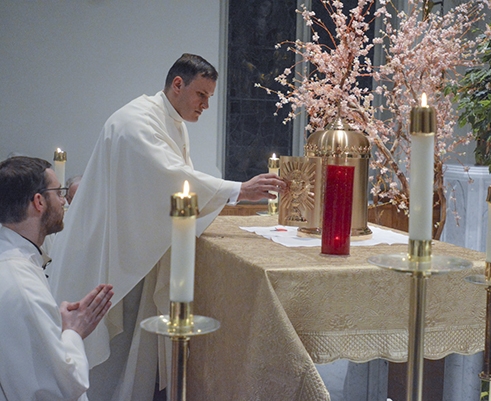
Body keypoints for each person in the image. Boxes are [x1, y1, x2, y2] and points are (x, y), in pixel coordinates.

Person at [48, 53, 286, 400]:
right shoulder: (136, 122)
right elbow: (172, 181)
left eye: (210, 98)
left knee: (133, 355)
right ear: (178, 84)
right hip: (110, 252)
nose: (205, 105)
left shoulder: (168, 121)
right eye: (201, 95)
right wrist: (239, 190)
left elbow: (173, 185)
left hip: (133, 250)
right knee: (107, 361)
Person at [0, 156, 114, 401]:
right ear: (39, 202)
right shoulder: (22, 286)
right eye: (59, 193)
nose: (64, 201)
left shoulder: (17, 259)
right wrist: (73, 331)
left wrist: (54, 324)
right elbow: (61, 388)